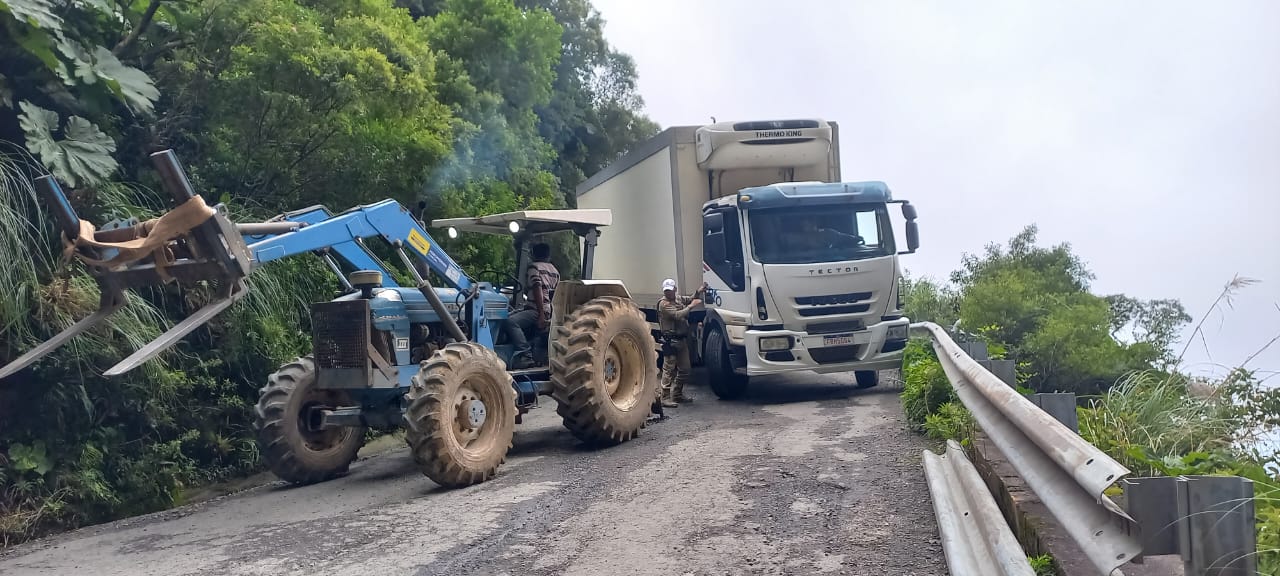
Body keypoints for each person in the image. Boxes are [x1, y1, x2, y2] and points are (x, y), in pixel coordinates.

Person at [506, 242, 559, 369]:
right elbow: (555, 293)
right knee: (510, 314)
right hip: (548, 310)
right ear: (548, 255)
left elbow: (537, 287)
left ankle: (525, 354)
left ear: (534, 254)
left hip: (536, 310)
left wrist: (541, 314)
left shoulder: (534, 267)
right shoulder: (555, 271)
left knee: (509, 322)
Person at [656, 278, 706, 407]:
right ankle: (665, 397)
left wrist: (698, 292)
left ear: (675, 289)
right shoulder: (664, 304)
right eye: (666, 291)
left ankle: (677, 394)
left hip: (681, 340)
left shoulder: (678, 299)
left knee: (685, 369)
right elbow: (677, 315)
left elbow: (689, 298)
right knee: (668, 370)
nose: (668, 293)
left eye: (670, 290)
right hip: (670, 341)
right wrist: (691, 306)